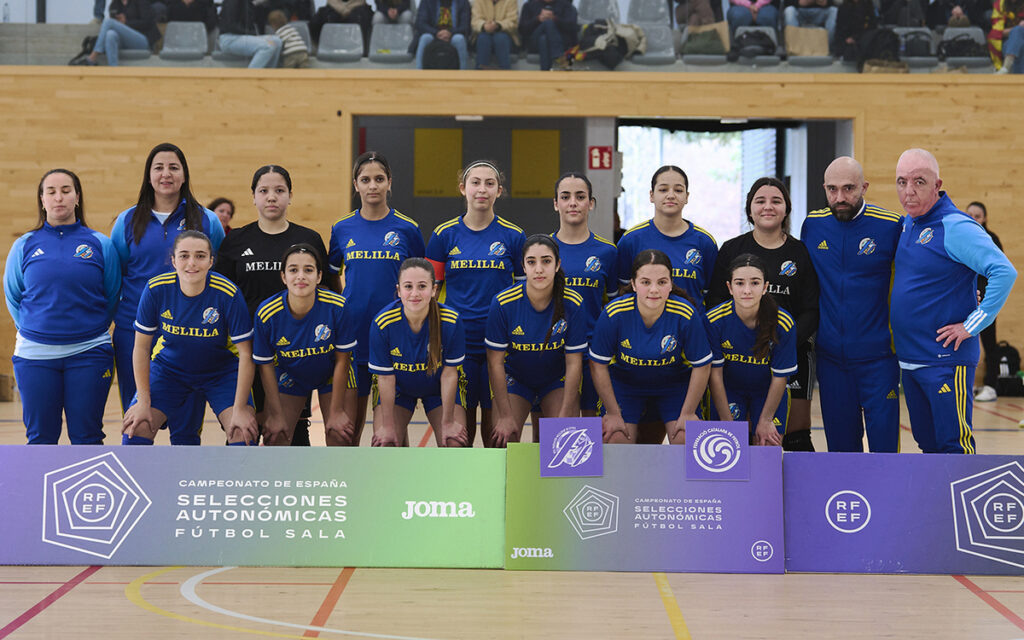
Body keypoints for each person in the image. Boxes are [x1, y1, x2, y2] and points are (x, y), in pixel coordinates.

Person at [891, 148, 1016, 454]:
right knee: (928, 445)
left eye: (919, 182)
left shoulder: (955, 226)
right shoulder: (909, 223)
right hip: (911, 360)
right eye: (901, 181)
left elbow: (1004, 272)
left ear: (937, 185)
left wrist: (971, 325)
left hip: (946, 361)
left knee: (954, 447)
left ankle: (955, 504)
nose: (909, 191)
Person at [110, 143, 225, 440]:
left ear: (185, 175)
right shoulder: (126, 221)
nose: (166, 174)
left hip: (191, 333)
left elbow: (217, 274)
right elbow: (117, 276)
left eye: (174, 167)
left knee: (186, 430)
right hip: (134, 334)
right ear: (148, 176)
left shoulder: (207, 221)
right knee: (137, 424)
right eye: (158, 167)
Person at [216, 165, 334, 446]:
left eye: (279, 191)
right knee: (242, 431)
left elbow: (327, 293)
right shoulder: (235, 241)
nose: (271, 197)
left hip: (293, 355)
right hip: (246, 353)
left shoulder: (309, 240)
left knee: (289, 432)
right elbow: (220, 297)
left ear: (290, 196)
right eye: (264, 191)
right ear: (253, 197)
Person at [3, 169, 120, 445]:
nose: (59, 198)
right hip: (35, 356)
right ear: (42, 200)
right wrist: (39, 330)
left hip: (89, 353)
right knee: (40, 438)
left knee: (87, 437)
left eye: (66, 191)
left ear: (77, 197)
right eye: (51, 192)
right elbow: (13, 297)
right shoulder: (24, 245)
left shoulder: (101, 244)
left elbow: (112, 295)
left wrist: (87, 331)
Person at [708, 177, 818, 452]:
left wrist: (779, 347)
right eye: (760, 201)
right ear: (750, 209)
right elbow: (715, 305)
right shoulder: (732, 249)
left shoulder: (799, 251)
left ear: (786, 209)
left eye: (776, 201)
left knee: (792, 436)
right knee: (737, 434)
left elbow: (811, 310)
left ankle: (793, 494)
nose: (768, 207)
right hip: (737, 356)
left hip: (786, 351)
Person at [800, 157, 902, 453]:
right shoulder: (814, 224)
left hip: (878, 359)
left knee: (885, 450)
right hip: (831, 361)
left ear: (864, 187)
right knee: (842, 451)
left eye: (849, 189)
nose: (840, 197)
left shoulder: (891, 225)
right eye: (832, 189)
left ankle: (888, 500)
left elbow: (921, 271)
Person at [122, 231, 258, 446]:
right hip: (170, 369)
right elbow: (140, 348)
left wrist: (240, 409)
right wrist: (143, 401)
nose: (192, 263)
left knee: (243, 432)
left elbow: (246, 353)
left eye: (200, 256)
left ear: (211, 261)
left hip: (221, 372)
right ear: (174, 261)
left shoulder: (228, 293)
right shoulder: (156, 289)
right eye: (184, 256)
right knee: (136, 428)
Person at [426, 160, 526, 445]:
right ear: (463, 188)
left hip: (501, 348)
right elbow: (429, 295)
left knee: (500, 439)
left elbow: (522, 295)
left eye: (489, 183)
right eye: (475, 182)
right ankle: (463, 492)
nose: (482, 189)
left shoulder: (514, 236)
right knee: (458, 438)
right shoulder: (443, 235)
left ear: (499, 190)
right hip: (458, 348)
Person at [329, 152, 426, 444]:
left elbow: (421, 283)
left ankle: (397, 488)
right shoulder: (341, 228)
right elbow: (332, 275)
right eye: (366, 179)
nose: (373, 185)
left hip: (394, 337)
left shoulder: (408, 229)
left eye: (379, 179)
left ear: (389, 183)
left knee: (391, 434)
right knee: (347, 432)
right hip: (354, 337)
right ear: (355, 185)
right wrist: (344, 308)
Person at [589, 250, 713, 445]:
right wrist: (613, 413)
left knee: (686, 439)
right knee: (616, 438)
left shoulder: (685, 313)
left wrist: (688, 412)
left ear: (671, 284)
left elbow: (702, 365)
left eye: (662, 282)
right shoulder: (614, 313)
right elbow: (598, 365)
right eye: (646, 282)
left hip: (673, 385)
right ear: (633, 284)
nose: (654, 290)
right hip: (625, 385)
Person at [486, 235, 587, 446]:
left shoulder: (573, 303)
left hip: (555, 380)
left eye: (546, 261)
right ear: (523, 266)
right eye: (532, 262)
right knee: (503, 439)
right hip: (516, 380)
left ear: (558, 265)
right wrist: (505, 415)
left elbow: (574, 362)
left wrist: (567, 411)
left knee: (563, 440)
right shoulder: (503, 303)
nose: (539, 269)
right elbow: (495, 363)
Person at [253, 245, 356, 446]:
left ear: (319, 276)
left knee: (339, 434)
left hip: (332, 373)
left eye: (308, 270)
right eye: (293, 270)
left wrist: (336, 412)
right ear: (283, 276)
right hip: (290, 374)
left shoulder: (337, 307)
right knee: (276, 436)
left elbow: (343, 360)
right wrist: (274, 413)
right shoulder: (267, 313)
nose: (301, 276)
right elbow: (265, 367)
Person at [368, 258, 469, 447]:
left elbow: (449, 375)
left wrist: (447, 422)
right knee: (386, 444)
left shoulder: (451, 321)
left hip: (438, 389)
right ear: (398, 291)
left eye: (422, 286)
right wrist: (388, 426)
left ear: (434, 290)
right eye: (408, 286)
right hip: (398, 389)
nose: (415, 293)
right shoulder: (382, 323)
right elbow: (386, 378)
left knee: (454, 443)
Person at [707, 254, 797, 446]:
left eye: (755, 283)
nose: (747, 290)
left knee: (767, 446)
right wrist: (726, 422)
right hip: (729, 390)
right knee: (726, 445)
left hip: (767, 391)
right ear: (730, 288)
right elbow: (715, 375)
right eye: (739, 283)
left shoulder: (783, 323)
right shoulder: (713, 321)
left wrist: (765, 420)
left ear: (765, 287)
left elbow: (780, 377)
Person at [551, 172, 617, 418]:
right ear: (556, 203)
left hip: (593, 356)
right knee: (552, 433)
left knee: (594, 434)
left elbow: (613, 307)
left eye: (580, 197)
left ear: (591, 203)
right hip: (552, 353)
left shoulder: (608, 252)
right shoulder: (542, 250)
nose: (573, 203)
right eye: (565, 197)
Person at [616, 165, 718, 307]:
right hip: (644, 326)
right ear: (651, 195)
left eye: (678, 190)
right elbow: (622, 292)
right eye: (663, 190)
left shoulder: (705, 242)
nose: (671, 195)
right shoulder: (631, 240)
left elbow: (712, 295)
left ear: (687, 196)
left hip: (692, 327)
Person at [965, 201, 1004, 402]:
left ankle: (991, 385)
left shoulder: (992, 239)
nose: (973, 219)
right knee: (965, 340)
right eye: (969, 214)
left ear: (985, 218)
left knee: (989, 342)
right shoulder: (961, 237)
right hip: (965, 299)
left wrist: (989, 300)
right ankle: (966, 384)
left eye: (977, 216)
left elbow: (999, 272)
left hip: (986, 300)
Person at [83, 0, 161, 66]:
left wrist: (126, 23)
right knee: (110, 34)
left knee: (108, 22)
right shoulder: (114, 5)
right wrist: (120, 24)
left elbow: (147, 23)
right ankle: (114, 70)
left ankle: (93, 57)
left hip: (143, 40)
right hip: (125, 41)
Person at [218, 0, 283, 69]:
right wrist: (253, 34)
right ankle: (249, 77)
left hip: (243, 36)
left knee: (277, 41)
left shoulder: (248, 3)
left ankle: (268, 75)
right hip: (229, 38)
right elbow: (230, 25)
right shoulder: (232, 2)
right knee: (267, 47)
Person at [519, 0, 577, 70]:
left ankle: (545, 74)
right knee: (548, 23)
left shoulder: (565, 5)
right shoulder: (529, 5)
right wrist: (538, 19)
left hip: (561, 41)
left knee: (544, 39)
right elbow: (522, 29)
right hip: (534, 43)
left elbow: (572, 27)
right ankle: (560, 57)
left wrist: (555, 19)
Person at [413, 0, 471, 69]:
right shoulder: (427, 1)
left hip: (454, 34)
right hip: (433, 33)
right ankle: (419, 74)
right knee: (425, 38)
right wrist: (436, 33)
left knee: (459, 39)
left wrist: (450, 33)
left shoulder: (463, 2)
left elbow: (465, 26)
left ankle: (463, 75)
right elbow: (420, 23)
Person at [471, 0, 520, 69]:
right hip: (483, 34)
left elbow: (512, 22)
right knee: (483, 38)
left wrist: (498, 25)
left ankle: (505, 73)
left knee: (500, 38)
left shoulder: (511, 1)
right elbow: (475, 21)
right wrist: (484, 25)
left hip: (505, 35)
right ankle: (481, 74)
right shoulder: (479, 1)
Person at [990, 0, 1024, 73]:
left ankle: (1006, 67)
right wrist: (1017, 29)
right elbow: (997, 33)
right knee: (1018, 32)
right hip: (1008, 44)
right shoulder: (1000, 5)